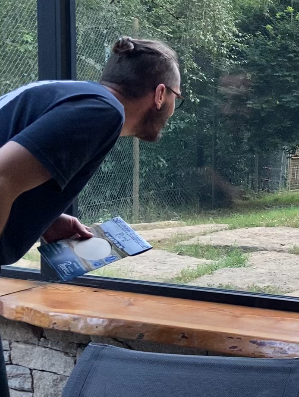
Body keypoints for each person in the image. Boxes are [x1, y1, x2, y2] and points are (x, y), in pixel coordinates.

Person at [0, 37, 181, 396]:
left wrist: (46, 217)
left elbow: (15, 171)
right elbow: (2, 176)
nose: (175, 105)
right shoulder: (101, 111)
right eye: (178, 96)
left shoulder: (71, 94)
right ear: (160, 94)